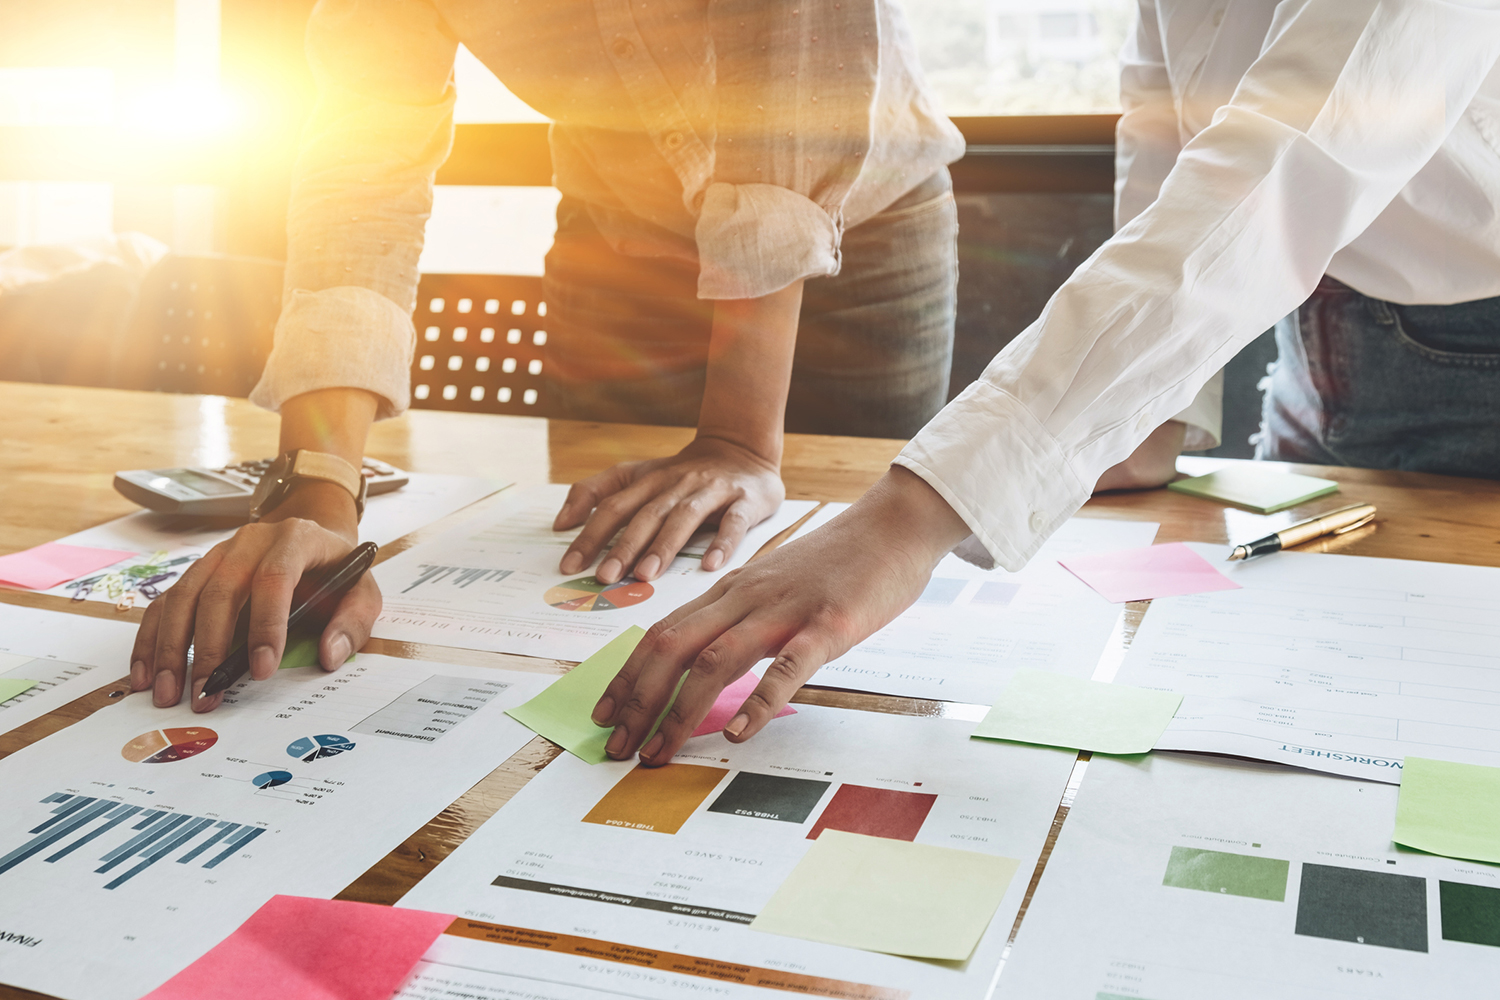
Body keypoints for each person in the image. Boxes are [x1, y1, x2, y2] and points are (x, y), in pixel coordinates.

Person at [588, 0, 1500, 767]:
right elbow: (1174, 113)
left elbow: (1288, 162)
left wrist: (912, 515)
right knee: (1307, 688)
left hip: (1476, 336)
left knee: (1442, 732)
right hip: (1327, 317)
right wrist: (1153, 413)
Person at [125, 1, 976, 712]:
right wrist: (317, 490)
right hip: (620, 239)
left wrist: (739, 441)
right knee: (608, 589)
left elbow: (793, 71)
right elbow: (364, 167)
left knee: (844, 591)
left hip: (857, 217)